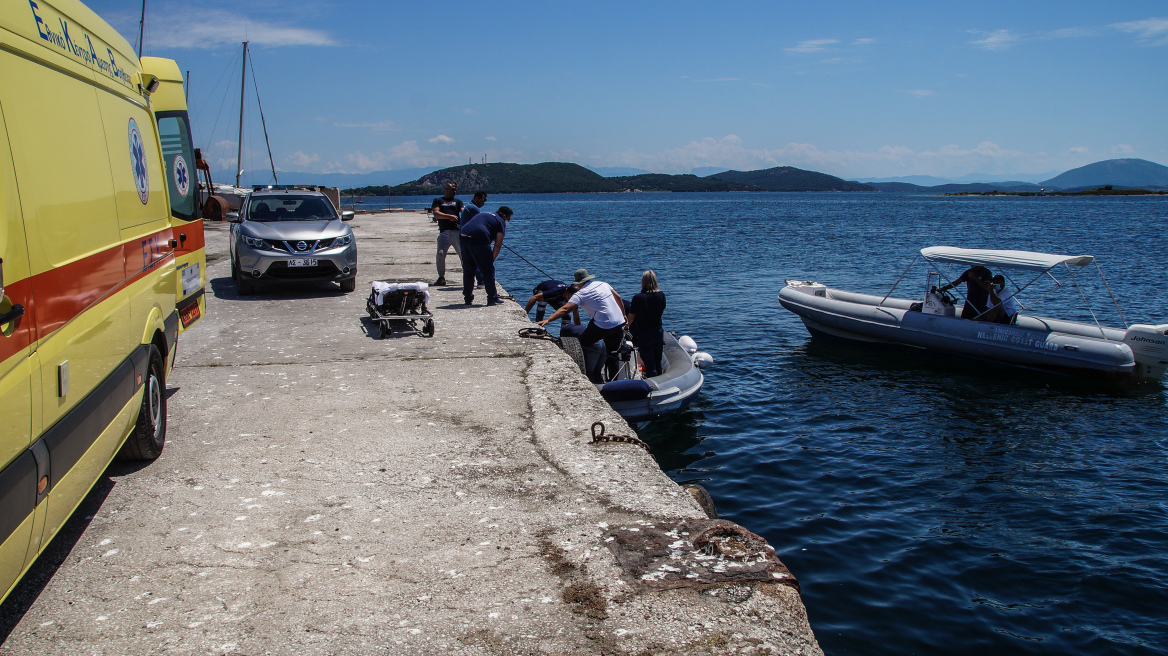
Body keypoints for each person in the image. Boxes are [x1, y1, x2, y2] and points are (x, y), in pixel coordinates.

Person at [537, 268, 627, 381]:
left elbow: (565, 309)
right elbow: (618, 298)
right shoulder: (603, 284)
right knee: (612, 353)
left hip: (603, 325)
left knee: (579, 345)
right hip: (619, 323)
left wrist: (548, 320)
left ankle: (590, 376)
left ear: (578, 282)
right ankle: (613, 382)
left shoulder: (580, 294)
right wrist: (624, 316)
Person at [459, 206, 513, 305]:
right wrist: (490, 261)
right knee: (488, 271)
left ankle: (467, 298)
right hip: (478, 237)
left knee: (469, 270)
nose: (507, 222)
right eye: (508, 219)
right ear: (504, 216)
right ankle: (492, 298)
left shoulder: (485, 214)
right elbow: (497, 245)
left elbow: (480, 226)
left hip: (463, 235)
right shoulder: (500, 221)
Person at [628, 270, 666, 377]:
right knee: (658, 360)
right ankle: (660, 379)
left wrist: (626, 327)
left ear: (643, 282)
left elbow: (631, 316)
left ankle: (652, 384)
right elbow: (661, 310)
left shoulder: (638, 298)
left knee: (649, 362)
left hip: (645, 332)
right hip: (658, 330)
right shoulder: (661, 295)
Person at [430, 182, 463, 286]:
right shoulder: (438, 200)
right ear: (446, 189)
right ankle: (441, 277)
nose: (454, 191)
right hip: (444, 232)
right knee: (440, 254)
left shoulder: (458, 202)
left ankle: (469, 276)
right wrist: (449, 216)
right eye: (452, 189)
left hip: (456, 232)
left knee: (463, 255)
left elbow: (463, 210)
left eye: (455, 189)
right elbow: (436, 213)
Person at [459, 191, 488, 287]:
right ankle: (481, 282)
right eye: (483, 199)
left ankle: (471, 283)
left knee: (470, 262)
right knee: (478, 260)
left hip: (464, 237)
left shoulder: (468, 207)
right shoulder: (473, 208)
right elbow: (480, 223)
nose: (484, 202)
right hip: (470, 238)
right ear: (476, 198)